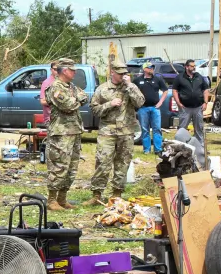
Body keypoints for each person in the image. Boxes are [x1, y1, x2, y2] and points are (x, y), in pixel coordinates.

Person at [88, 59, 145, 203]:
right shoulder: (102, 89)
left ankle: (117, 194)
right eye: (119, 73)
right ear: (112, 72)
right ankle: (97, 195)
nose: (122, 76)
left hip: (126, 131)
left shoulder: (130, 87)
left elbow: (140, 102)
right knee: (103, 162)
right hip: (107, 131)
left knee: (123, 163)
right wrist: (109, 104)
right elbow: (94, 110)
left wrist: (130, 85)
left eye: (124, 73)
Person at [43, 59, 88, 210]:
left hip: (74, 130)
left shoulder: (72, 86)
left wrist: (77, 99)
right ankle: (51, 200)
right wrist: (77, 100)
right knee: (58, 166)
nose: (74, 72)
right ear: (64, 71)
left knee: (71, 167)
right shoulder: (55, 87)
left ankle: (62, 199)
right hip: (60, 133)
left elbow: (85, 97)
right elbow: (69, 105)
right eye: (72, 69)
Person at [133, 63, 169, 155]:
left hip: (155, 108)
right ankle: (146, 150)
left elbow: (165, 90)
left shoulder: (157, 79)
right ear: (144, 69)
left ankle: (158, 149)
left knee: (157, 129)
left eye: (152, 67)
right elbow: (131, 91)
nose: (152, 69)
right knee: (145, 130)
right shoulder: (138, 80)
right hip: (142, 109)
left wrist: (160, 102)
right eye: (149, 67)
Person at [173, 59, 210, 140]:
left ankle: (200, 148)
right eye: (192, 66)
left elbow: (206, 90)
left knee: (199, 128)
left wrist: (205, 102)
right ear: (186, 67)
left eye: (194, 66)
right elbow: (174, 90)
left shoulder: (199, 76)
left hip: (198, 107)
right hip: (185, 108)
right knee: (182, 129)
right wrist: (178, 103)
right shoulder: (180, 77)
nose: (194, 68)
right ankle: (180, 146)